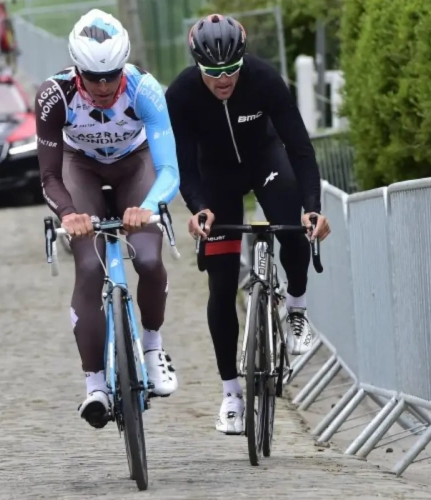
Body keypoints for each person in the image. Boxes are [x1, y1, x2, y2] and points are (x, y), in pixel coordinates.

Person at [164, 14, 331, 435]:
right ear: (197, 66)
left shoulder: (264, 79)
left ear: (243, 59)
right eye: (213, 72)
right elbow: (184, 165)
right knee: (220, 285)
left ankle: (296, 308)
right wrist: (198, 207)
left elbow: (300, 148)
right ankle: (231, 395)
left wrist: (312, 207)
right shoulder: (182, 93)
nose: (224, 80)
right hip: (215, 179)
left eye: (231, 69)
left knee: (292, 227)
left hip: (265, 161)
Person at [35, 9, 180, 429]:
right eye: (93, 77)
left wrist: (148, 206)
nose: (102, 86)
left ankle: (152, 348)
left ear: (123, 67)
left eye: (111, 76)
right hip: (79, 165)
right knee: (88, 265)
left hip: (136, 165)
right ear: (76, 70)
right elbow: (48, 175)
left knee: (149, 259)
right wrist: (69, 214)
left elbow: (169, 169)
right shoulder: (54, 95)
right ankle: (95, 384)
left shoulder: (145, 89)